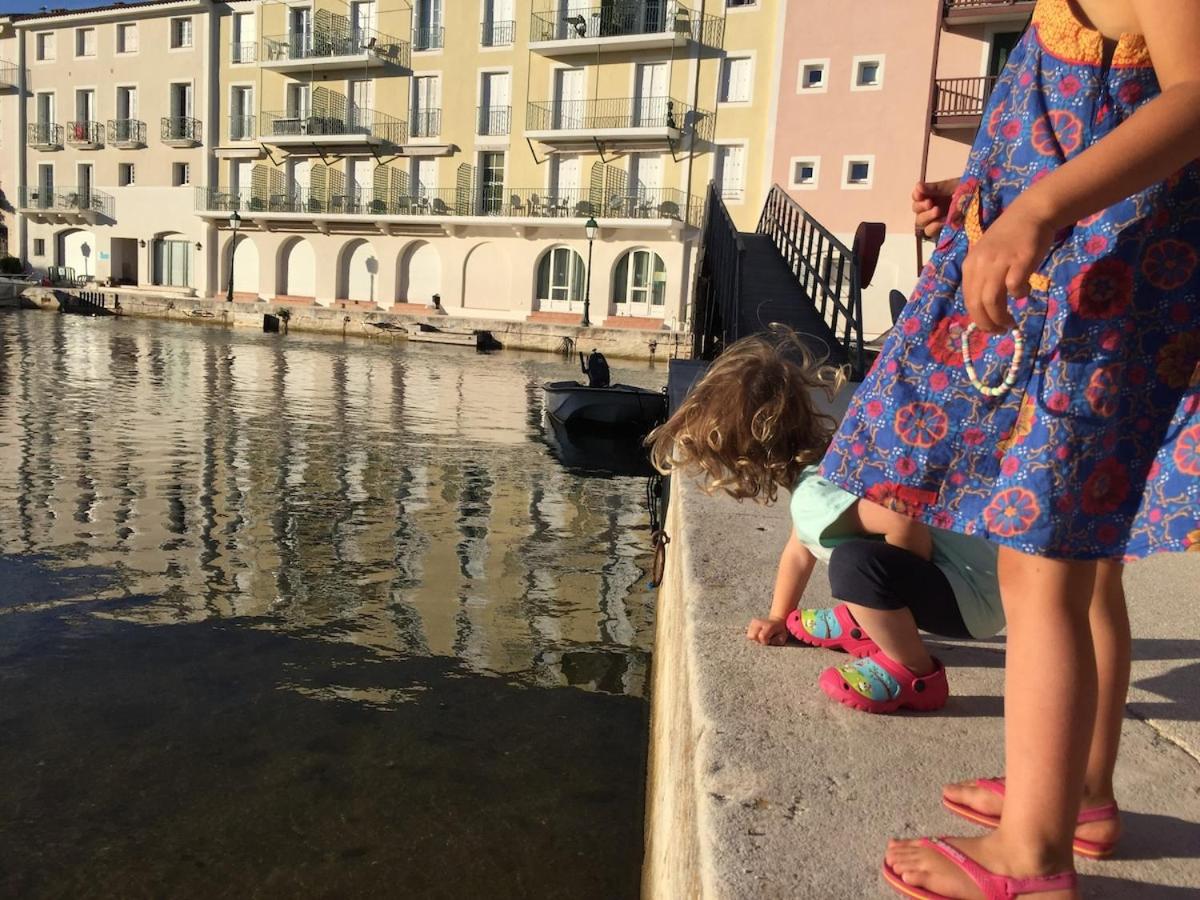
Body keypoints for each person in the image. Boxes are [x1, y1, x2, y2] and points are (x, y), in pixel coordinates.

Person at [818, 1, 1199, 896]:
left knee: (1042, 570)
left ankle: (1033, 857)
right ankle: (1079, 796)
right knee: (1085, 571)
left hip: (1099, 310)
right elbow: (1101, 114)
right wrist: (982, 191)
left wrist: (1036, 209)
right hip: (1093, 296)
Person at [646, 330, 1006, 714]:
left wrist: (898, 599)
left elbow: (902, 521)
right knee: (862, 563)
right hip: (985, 584)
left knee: (853, 566)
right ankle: (866, 618)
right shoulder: (829, 462)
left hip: (970, 601)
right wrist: (779, 617)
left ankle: (915, 672)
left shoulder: (814, 498)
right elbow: (799, 547)